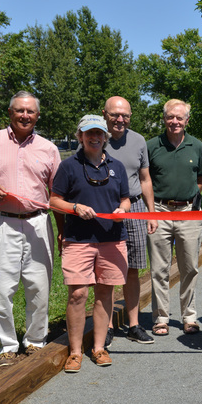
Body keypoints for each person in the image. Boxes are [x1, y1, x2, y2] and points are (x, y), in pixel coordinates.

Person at [0, 91, 61, 367]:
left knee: (39, 287)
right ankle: (5, 347)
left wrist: (63, 230)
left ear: (37, 115)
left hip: (38, 222)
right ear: (9, 113)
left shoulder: (49, 148)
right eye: (19, 110)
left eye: (30, 111)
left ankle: (35, 342)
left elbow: (57, 193)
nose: (25, 115)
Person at [49, 115, 130, 373]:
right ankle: (74, 352)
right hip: (79, 240)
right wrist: (74, 207)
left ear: (105, 136)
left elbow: (126, 199)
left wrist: (121, 209)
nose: (94, 137)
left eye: (99, 133)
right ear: (80, 136)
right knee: (78, 294)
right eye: (89, 133)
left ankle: (98, 347)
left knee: (105, 293)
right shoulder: (69, 166)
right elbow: (54, 201)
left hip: (112, 239)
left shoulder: (116, 166)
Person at [147, 99, 202, 336]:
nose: (174, 121)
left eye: (179, 118)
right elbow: (146, 180)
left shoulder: (197, 146)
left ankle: (189, 317)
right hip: (159, 211)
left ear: (187, 121)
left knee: (189, 267)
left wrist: (191, 198)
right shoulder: (151, 145)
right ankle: (161, 318)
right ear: (164, 119)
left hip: (189, 212)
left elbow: (201, 178)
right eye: (170, 117)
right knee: (159, 269)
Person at [103, 96, 157, 346]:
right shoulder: (94, 138)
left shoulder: (138, 141)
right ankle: (108, 326)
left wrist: (150, 211)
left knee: (133, 268)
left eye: (125, 115)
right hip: (105, 209)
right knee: (107, 270)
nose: (120, 120)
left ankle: (134, 324)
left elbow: (145, 178)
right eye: (115, 114)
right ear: (105, 114)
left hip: (134, 207)